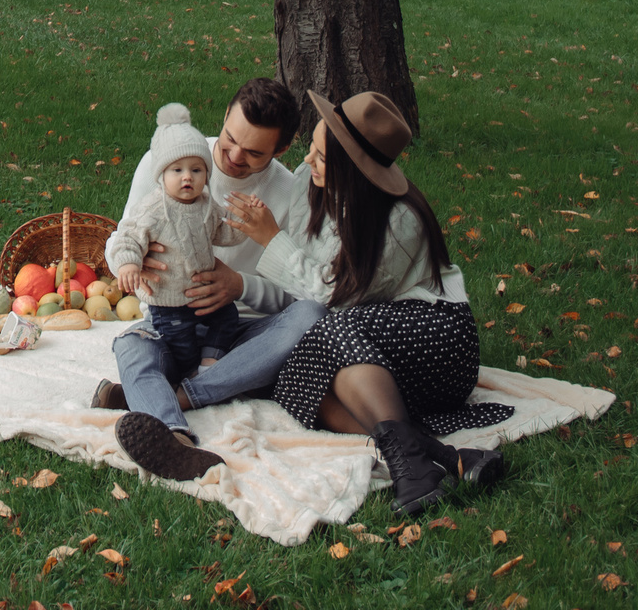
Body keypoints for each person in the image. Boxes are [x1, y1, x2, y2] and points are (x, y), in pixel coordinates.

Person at [222, 90, 512, 514]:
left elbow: (338, 300)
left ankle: (415, 461)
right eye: (313, 149)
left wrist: (271, 240)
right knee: (293, 380)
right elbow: (316, 295)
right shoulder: (312, 185)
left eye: (320, 157)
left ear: (352, 168)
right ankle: (435, 459)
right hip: (362, 353)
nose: (306, 163)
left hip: (435, 343)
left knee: (329, 330)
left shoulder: (399, 222)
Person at [93, 79, 324, 481]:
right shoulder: (169, 159)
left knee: (311, 316)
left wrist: (242, 285)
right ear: (225, 117)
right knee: (131, 345)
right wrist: (132, 264)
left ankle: (171, 397)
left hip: (239, 334)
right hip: (167, 320)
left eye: (254, 153)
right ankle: (176, 439)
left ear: (281, 149)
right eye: (231, 138)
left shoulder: (289, 193)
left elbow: (301, 293)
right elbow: (122, 238)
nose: (233, 157)